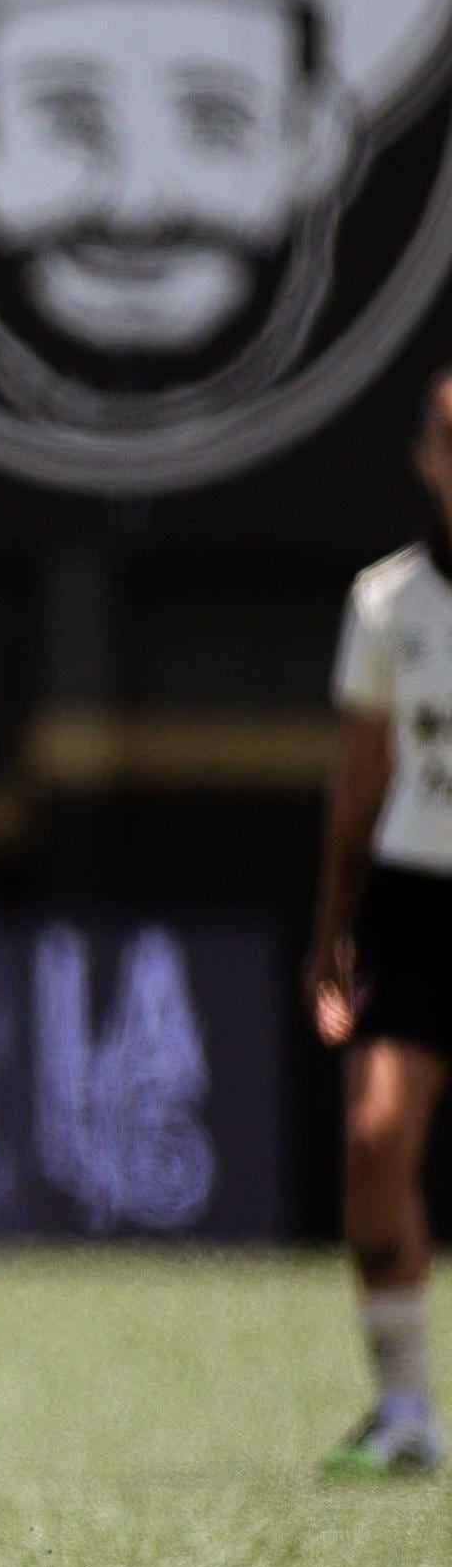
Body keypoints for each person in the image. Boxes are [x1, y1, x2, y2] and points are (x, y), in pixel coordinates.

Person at [308, 370, 452, 1478]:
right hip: (417, 894)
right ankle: (403, 1404)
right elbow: (362, 782)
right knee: (374, 1141)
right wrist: (332, 932)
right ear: (425, 455)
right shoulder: (388, 604)